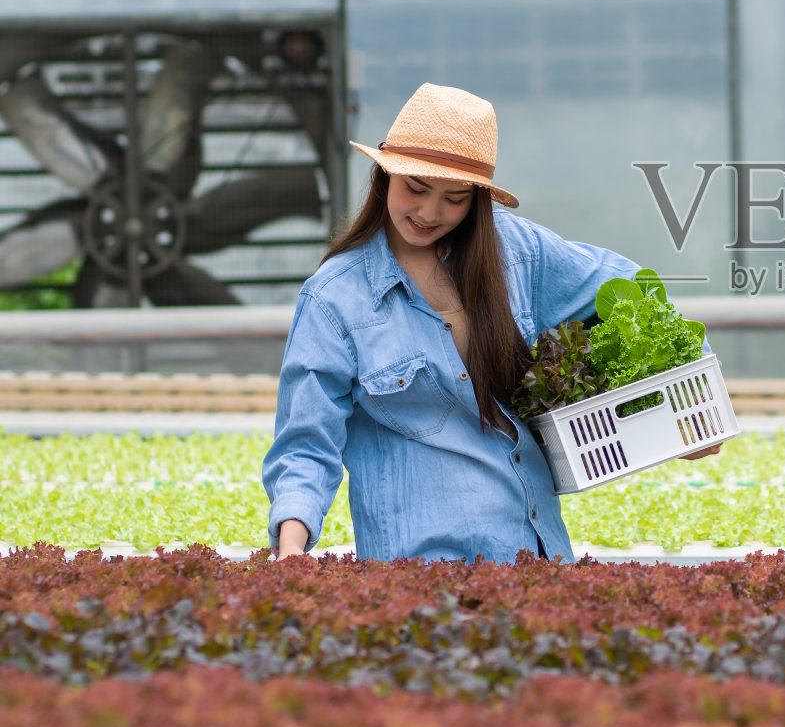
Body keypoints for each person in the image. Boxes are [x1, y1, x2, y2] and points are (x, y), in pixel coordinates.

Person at [262, 82, 716, 563]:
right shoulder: (335, 298)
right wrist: (291, 550)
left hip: (536, 557)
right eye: (415, 188)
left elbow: (631, 292)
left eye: (454, 198)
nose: (429, 213)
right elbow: (305, 445)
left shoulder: (517, 254)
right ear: (383, 176)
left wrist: (686, 409)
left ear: (477, 199)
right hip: (420, 572)